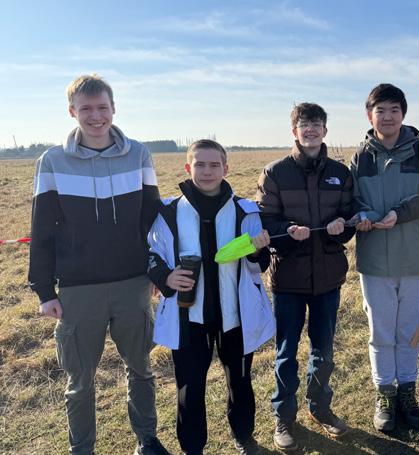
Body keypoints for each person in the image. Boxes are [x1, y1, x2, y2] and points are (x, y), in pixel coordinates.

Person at [29, 74, 170, 454]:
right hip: (78, 289)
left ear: (114, 108)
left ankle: (147, 440)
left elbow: (151, 218)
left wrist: (157, 272)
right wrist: (44, 290)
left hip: (133, 284)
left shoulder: (138, 154)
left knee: (141, 370)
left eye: (102, 107)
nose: (96, 116)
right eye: (86, 109)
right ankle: (82, 448)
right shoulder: (52, 161)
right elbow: (41, 230)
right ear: (72, 111)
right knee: (80, 383)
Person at [147, 139, 274, 455]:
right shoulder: (168, 212)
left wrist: (257, 251)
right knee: (190, 387)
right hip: (188, 317)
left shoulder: (246, 211)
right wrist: (165, 277)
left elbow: (259, 265)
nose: (207, 171)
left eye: (214, 165)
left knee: (240, 382)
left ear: (225, 168)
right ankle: (192, 449)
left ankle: (244, 437)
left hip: (236, 316)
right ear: (187, 168)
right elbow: (152, 252)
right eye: (200, 164)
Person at [256, 103, 354, 452]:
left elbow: (350, 216)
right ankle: (284, 416)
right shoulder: (275, 172)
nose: (310, 129)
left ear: (325, 130)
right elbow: (264, 221)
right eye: (303, 124)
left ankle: (320, 408)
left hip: (328, 277)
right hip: (288, 279)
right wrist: (286, 230)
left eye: (316, 124)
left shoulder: (340, 173)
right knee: (286, 353)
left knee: (323, 351)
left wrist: (342, 226)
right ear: (294, 131)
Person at [350, 83, 419, 432]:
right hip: (375, 260)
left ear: (403, 114)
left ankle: (407, 391)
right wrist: (361, 215)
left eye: (394, 110)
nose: (388, 117)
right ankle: (385, 395)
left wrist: (400, 214)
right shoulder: (360, 157)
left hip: (415, 258)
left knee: (410, 331)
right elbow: (351, 199)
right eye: (381, 110)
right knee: (380, 332)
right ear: (370, 116)